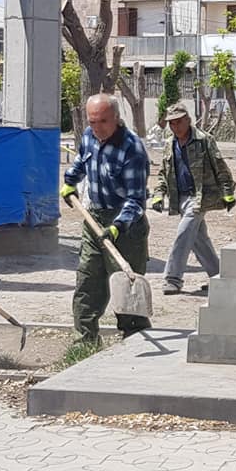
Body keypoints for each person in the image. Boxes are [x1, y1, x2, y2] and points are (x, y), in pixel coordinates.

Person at [60, 94, 151, 344]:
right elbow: (81, 161)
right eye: (92, 122)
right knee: (87, 282)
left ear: (116, 118)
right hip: (94, 217)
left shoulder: (132, 149)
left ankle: (135, 341)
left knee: (126, 288)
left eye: (103, 121)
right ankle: (85, 341)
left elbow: (136, 200)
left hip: (127, 226)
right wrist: (70, 182)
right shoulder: (89, 137)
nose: (97, 128)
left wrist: (117, 227)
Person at [151, 102, 236, 295]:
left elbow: (220, 167)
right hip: (180, 198)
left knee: (183, 234)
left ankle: (173, 278)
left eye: (179, 122)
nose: (175, 126)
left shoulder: (204, 140)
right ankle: (219, 277)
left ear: (188, 120)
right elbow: (163, 173)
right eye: (172, 123)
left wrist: (227, 192)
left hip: (199, 198)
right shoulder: (169, 144)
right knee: (198, 239)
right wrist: (158, 195)